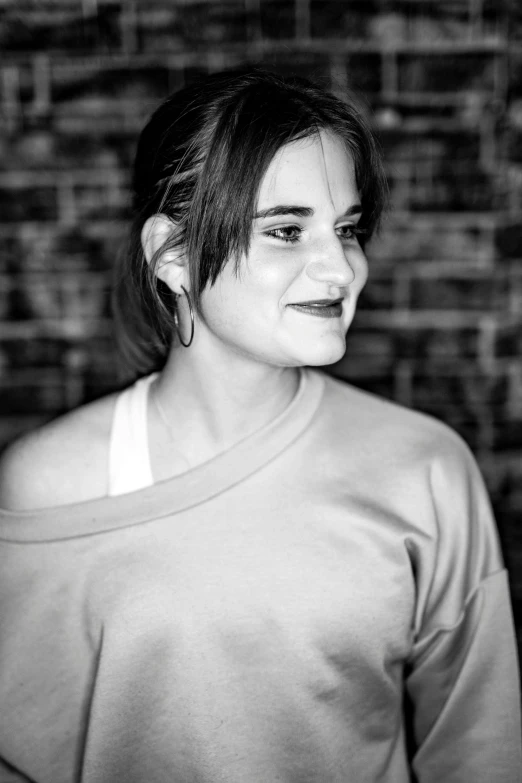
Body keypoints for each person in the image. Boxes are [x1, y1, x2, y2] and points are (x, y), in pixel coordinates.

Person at [0, 67, 520, 783]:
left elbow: (480, 750)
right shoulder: (47, 485)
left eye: (348, 229)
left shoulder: (425, 467)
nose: (340, 269)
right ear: (173, 256)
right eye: (285, 230)